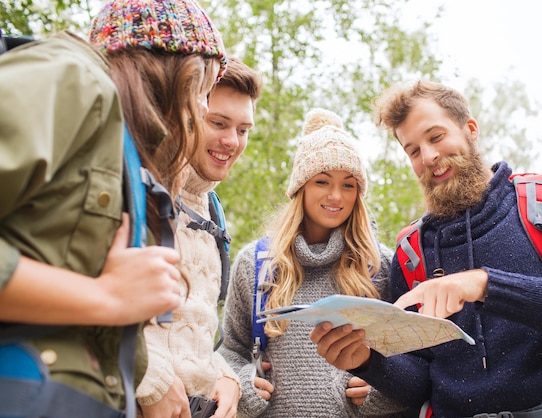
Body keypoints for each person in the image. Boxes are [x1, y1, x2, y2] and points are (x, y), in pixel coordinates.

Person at [310, 79, 542, 417]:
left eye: (436, 137)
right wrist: (368, 362)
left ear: (470, 129)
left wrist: (484, 284)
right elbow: (422, 383)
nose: (428, 156)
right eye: (413, 150)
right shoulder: (411, 253)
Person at [0, 0, 227, 416]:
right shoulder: (73, 78)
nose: (204, 108)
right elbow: (101, 297)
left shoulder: (123, 153)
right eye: (204, 88)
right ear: (176, 68)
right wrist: (102, 295)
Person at [218, 108, 407, 417]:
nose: (336, 195)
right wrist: (242, 384)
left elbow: (410, 363)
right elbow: (230, 350)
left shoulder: (381, 266)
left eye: (348, 184)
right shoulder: (256, 265)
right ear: (301, 186)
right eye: (322, 181)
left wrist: (382, 389)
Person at [136, 57, 264, 418]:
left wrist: (225, 377)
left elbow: (194, 333)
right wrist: (153, 382)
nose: (231, 142)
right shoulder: (142, 190)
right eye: (218, 123)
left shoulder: (212, 210)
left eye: (243, 129)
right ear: (188, 113)